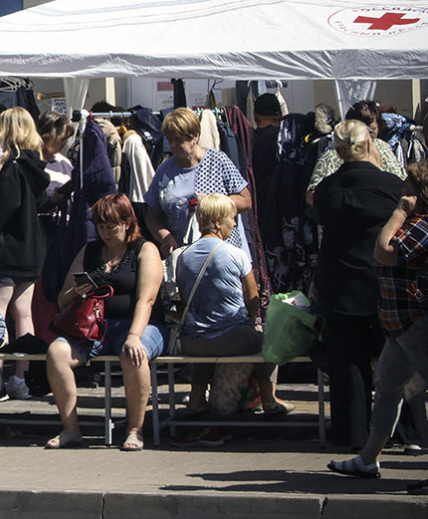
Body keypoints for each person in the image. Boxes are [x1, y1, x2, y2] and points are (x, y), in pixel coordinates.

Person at [328, 161, 428, 485]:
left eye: (408, 185)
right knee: (387, 388)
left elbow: (383, 251)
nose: (403, 190)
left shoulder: (422, 224)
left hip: (417, 321)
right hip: (400, 324)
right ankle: (367, 460)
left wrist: (399, 211)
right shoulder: (413, 223)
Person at [312, 119, 405, 448]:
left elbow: (320, 218)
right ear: (369, 145)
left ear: (337, 151)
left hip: (340, 281)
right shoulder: (391, 185)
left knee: (348, 362)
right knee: (397, 358)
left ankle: (352, 433)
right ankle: (406, 432)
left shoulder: (326, 190)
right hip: (384, 281)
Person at [45, 193, 164, 451]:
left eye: (113, 225)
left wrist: (134, 336)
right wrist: (77, 291)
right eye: (101, 226)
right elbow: (62, 301)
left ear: (128, 223)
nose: (106, 232)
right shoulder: (89, 251)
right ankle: (71, 430)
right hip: (94, 327)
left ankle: (135, 429)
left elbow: (147, 300)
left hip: (139, 324)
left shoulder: (145, 249)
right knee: (56, 351)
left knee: (133, 353)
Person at [172, 194, 293, 446]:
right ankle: (269, 398)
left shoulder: (182, 256)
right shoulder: (236, 254)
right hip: (232, 340)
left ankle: (195, 399)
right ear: (217, 222)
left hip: (192, 343)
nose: (235, 224)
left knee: (204, 332)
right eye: (231, 218)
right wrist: (250, 322)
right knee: (267, 338)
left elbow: (184, 300)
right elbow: (253, 297)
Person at [0, 106, 49, 400]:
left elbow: (0, 210)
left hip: (10, 247)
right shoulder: (37, 166)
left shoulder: (13, 167)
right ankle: (21, 378)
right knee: (24, 315)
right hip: (33, 246)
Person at [146, 107, 252, 258]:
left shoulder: (217, 161)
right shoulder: (165, 170)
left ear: (195, 136)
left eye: (179, 139)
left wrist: (211, 203)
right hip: (183, 255)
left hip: (220, 253)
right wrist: (165, 236)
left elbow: (246, 201)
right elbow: (152, 215)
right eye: (170, 139)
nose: (173, 145)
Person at [306, 100, 407, 204]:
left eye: (372, 130)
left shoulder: (383, 147)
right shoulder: (332, 155)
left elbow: (403, 181)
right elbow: (312, 196)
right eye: (362, 131)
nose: (368, 135)